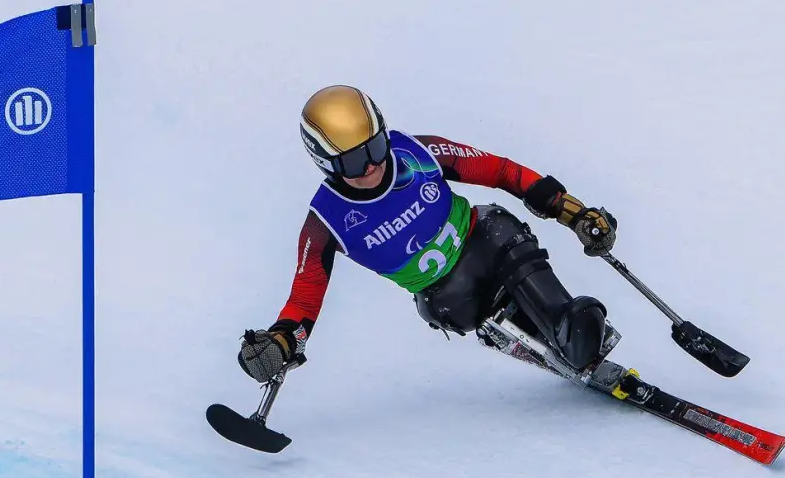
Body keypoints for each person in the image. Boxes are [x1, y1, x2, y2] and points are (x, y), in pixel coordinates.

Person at [237, 85, 620, 385]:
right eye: (353, 160)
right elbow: (304, 299)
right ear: (325, 164)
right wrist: (280, 342)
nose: (371, 165)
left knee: (567, 323)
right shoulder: (326, 222)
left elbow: (500, 172)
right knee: (475, 296)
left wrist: (572, 212)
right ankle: (553, 332)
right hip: (451, 296)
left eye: (374, 147)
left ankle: (569, 331)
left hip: (493, 239)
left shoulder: (417, 152)